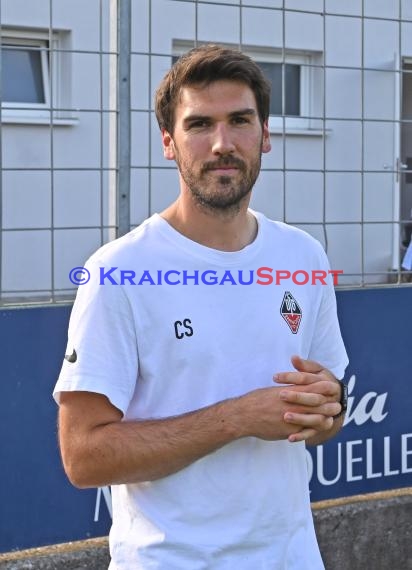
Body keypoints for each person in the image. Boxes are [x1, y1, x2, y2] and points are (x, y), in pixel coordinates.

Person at [54, 45, 349, 570]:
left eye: (240, 120)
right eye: (199, 125)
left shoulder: (303, 255)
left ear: (266, 134)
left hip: (293, 557)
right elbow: (82, 457)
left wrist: (326, 407)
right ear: (169, 142)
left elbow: (328, 416)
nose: (222, 144)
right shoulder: (120, 271)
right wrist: (236, 418)